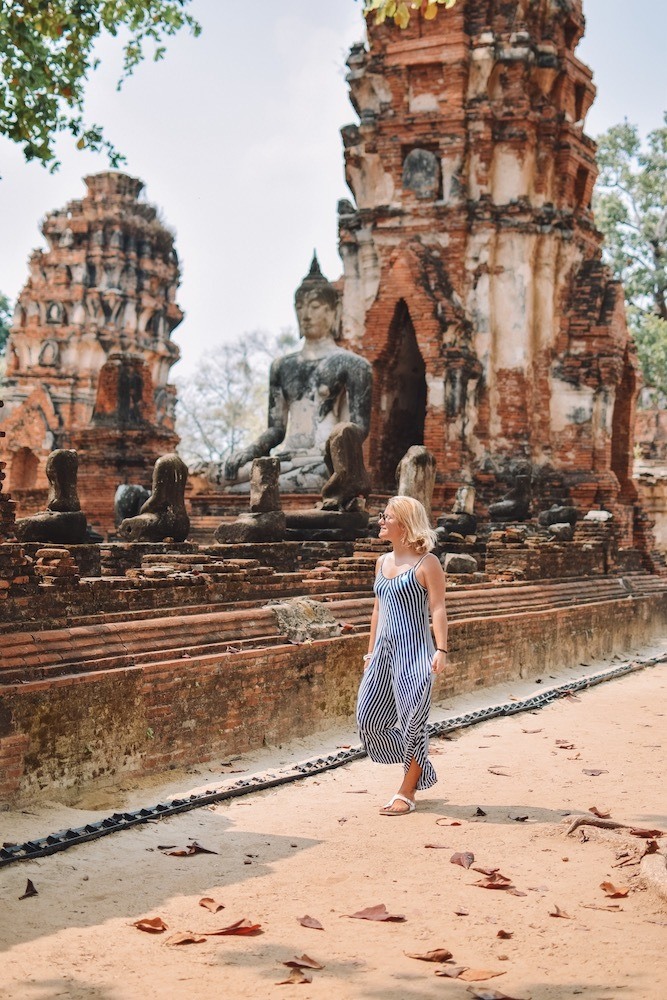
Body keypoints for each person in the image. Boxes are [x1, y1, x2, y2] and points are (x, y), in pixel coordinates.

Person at [224, 254, 372, 490]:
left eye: (315, 307)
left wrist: (330, 455)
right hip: (287, 458)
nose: (306, 314)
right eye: (300, 307)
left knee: (297, 480)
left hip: (322, 461)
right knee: (223, 476)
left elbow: (358, 429)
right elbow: (276, 429)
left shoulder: (353, 364)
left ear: (334, 310)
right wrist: (248, 451)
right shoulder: (282, 365)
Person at [356, 495, 449, 815]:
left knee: (413, 723)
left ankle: (407, 788)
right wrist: (369, 655)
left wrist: (441, 649)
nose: (380, 521)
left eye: (387, 517)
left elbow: (437, 608)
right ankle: (419, 762)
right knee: (368, 719)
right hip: (382, 654)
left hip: (415, 653)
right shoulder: (381, 563)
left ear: (405, 524)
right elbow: (377, 610)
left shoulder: (428, 563)